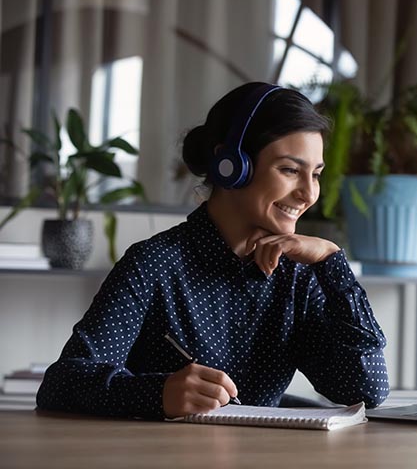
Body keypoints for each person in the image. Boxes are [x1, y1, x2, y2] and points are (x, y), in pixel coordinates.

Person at [36, 82, 390, 419]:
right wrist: (158, 394)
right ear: (231, 166)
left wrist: (331, 261)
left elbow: (367, 388)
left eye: (315, 174)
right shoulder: (154, 264)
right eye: (289, 170)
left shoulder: (298, 275)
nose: (308, 194)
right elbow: (61, 385)